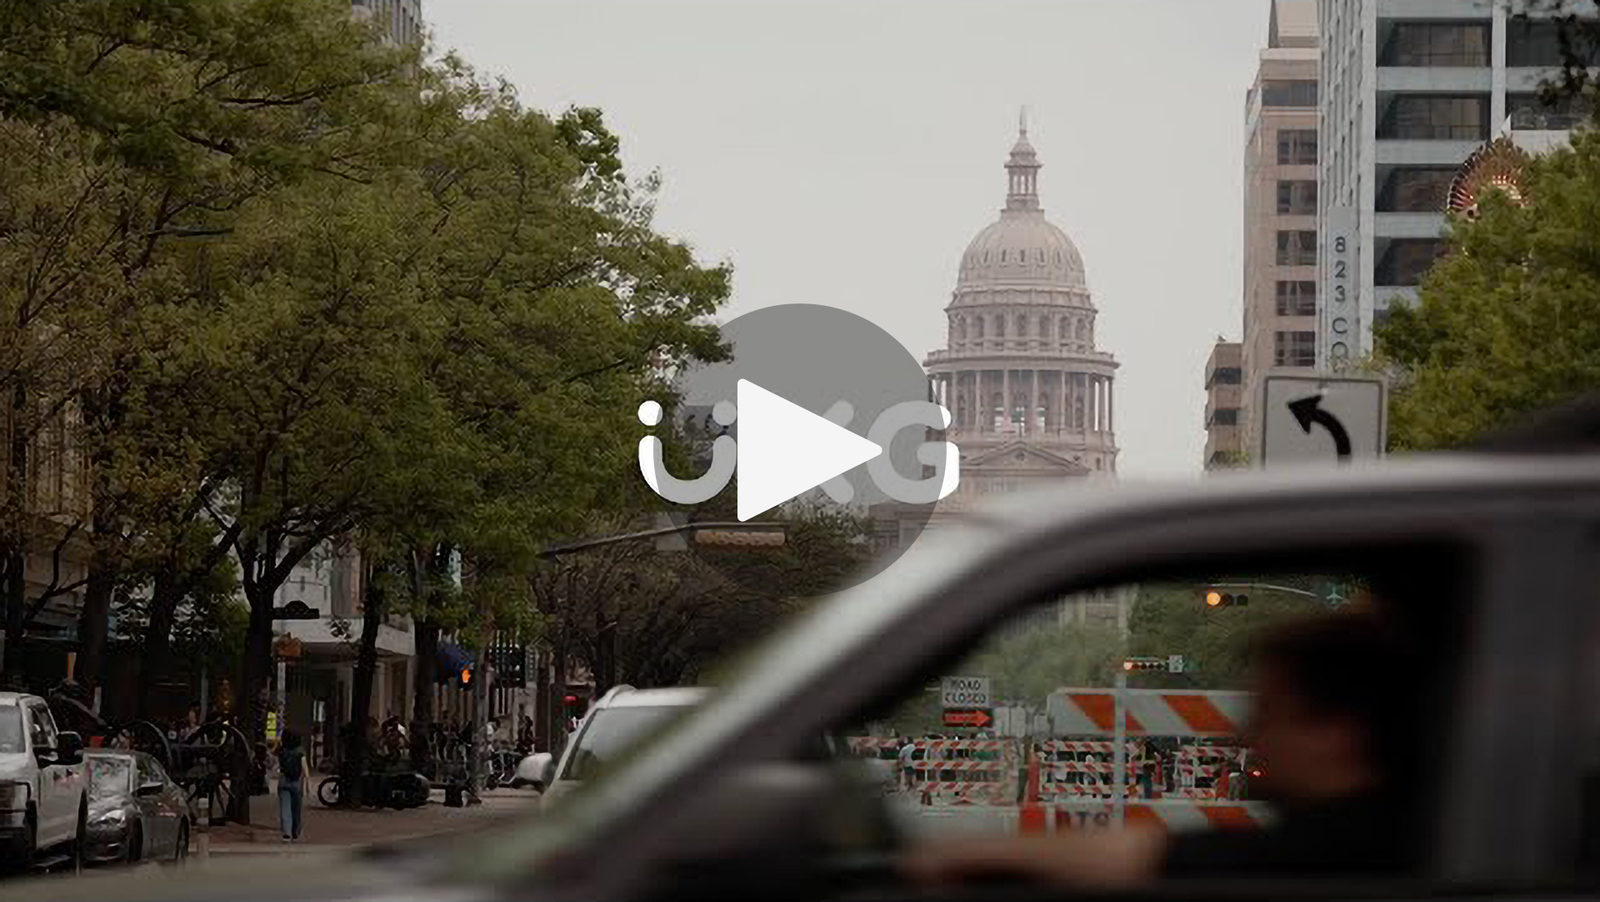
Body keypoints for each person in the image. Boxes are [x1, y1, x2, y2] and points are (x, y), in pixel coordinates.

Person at [907, 612, 1424, 887]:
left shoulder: (1353, 846)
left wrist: (958, 857)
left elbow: (1152, 857)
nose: (1244, 738)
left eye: (1268, 715)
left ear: (1339, 733)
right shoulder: (1409, 831)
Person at [277, 729, 306, 842]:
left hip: (284, 780)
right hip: (297, 781)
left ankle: (286, 832)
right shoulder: (300, 751)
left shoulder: (282, 750)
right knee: (296, 808)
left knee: (285, 807)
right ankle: (296, 831)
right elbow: (304, 766)